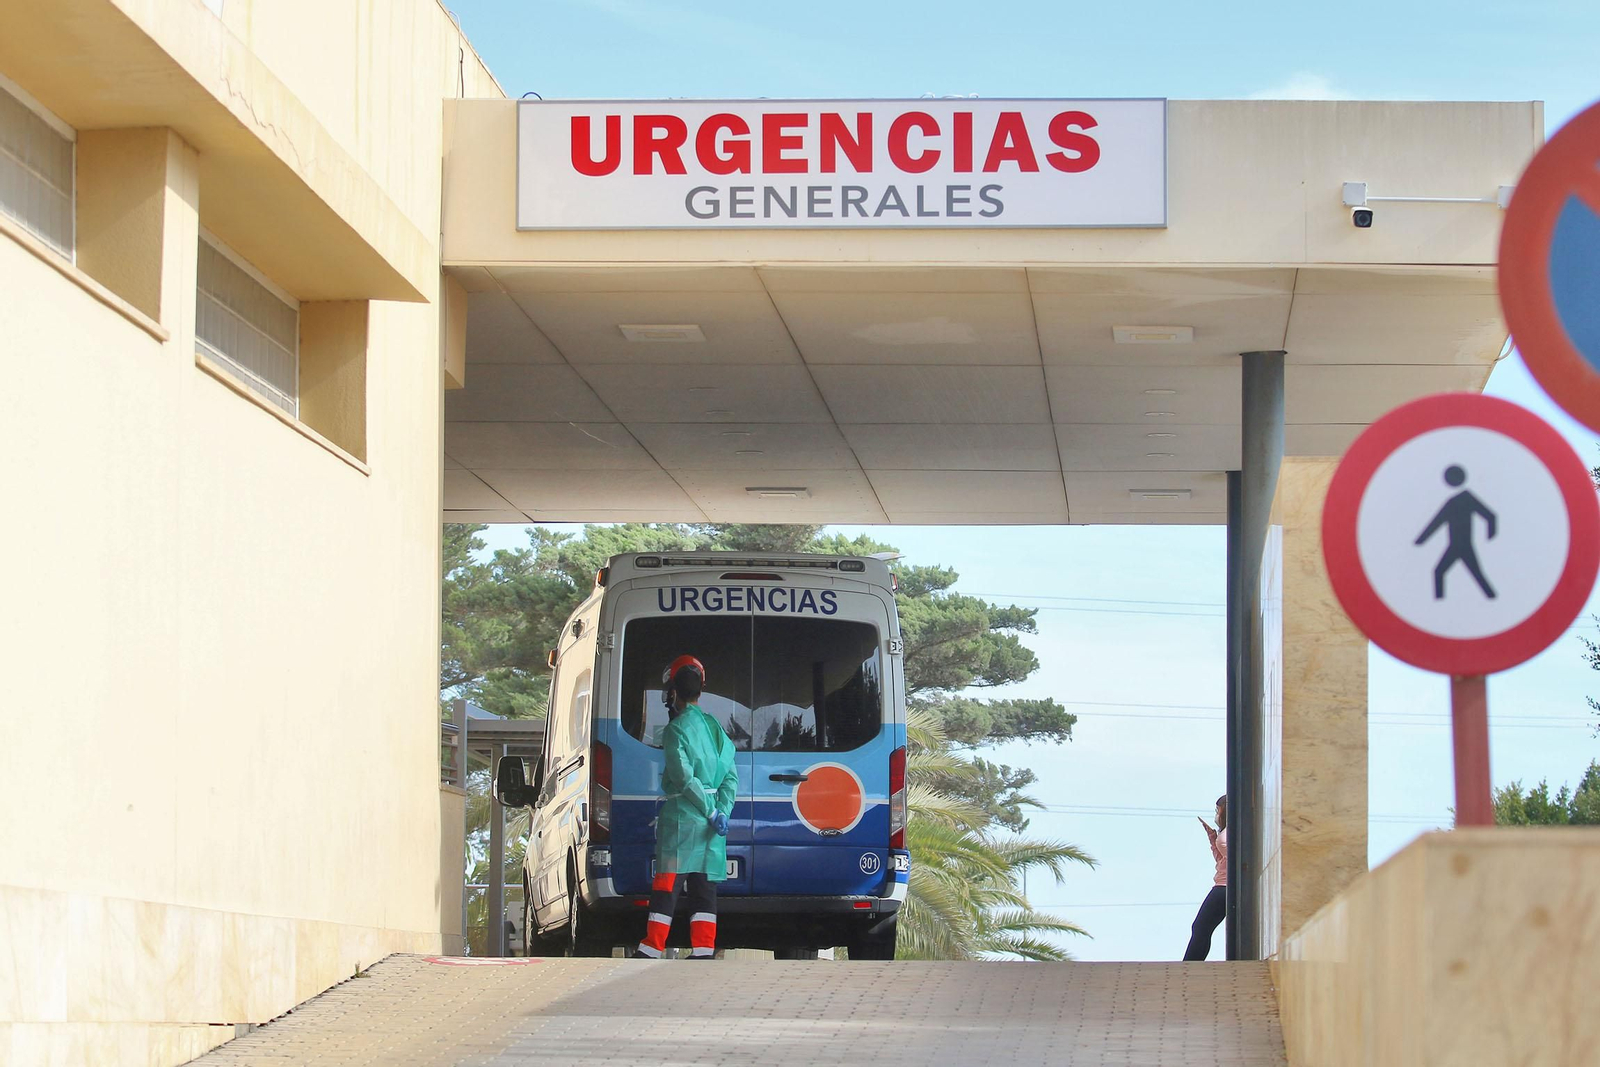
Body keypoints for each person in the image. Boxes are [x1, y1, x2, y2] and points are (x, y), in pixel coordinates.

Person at [633, 655, 739, 959]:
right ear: (701, 691)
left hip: (683, 818)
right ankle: (704, 948)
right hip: (712, 828)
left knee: (668, 882)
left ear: (673, 692)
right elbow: (730, 776)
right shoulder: (715, 728)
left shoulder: (676, 730)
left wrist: (709, 810)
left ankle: (653, 946)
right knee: (704, 886)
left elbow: (682, 777)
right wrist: (722, 812)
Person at [1183, 795, 1227, 961]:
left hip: (1224, 887)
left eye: (1218, 810)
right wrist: (1212, 839)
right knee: (1201, 928)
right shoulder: (1225, 833)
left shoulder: (1231, 832)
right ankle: (1190, 964)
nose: (1216, 814)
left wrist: (1218, 841)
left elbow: (1231, 856)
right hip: (1222, 883)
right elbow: (1222, 861)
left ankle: (1189, 965)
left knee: (1200, 927)